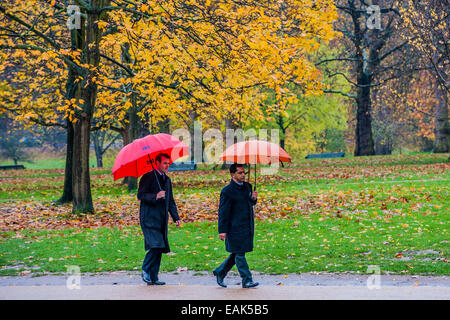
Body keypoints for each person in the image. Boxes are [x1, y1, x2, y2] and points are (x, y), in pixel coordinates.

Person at [137, 152, 181, 285]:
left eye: (168, 163)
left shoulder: (167, 180)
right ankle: (145, 270)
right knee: (155, 245)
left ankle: (153, 277)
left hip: (161, 219)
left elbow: (170, 200)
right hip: (149, 218)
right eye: (164, 163)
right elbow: (141, 195)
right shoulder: (148, 177)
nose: (167, 166)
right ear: (157, 163)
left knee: (160, 247)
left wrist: (176, 217)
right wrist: (155, 196)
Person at [213, 163, 259, 288]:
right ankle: (247, 279)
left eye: (244, 172)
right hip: (234, 227)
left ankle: (220, 272)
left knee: (237, 252)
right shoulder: (227, 191)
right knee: (239, 254)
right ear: (233, 174)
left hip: (247, 226)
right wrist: (222, 230)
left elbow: (248, 204)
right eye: (240, 173)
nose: (243, 175)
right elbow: (223, 212)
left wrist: (253, 199)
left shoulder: (248, 187)